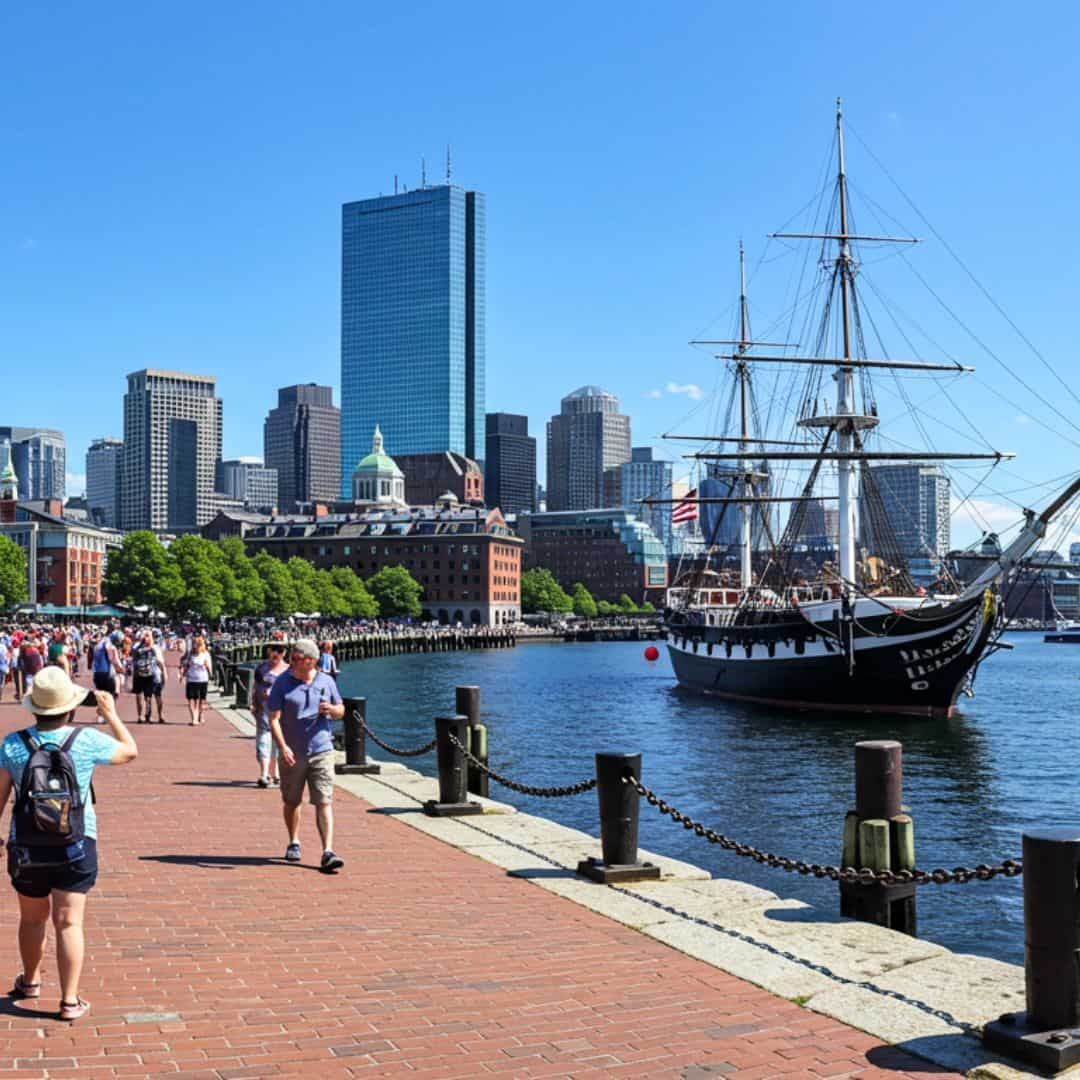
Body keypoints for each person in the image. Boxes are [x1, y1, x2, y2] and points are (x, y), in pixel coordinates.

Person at [0, 666, 137, 1020]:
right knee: (69, 922)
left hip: (27, 847)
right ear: (70, 707)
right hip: (75, 842)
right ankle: (69, 1000)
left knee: (31, 919)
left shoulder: (13, 744)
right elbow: (129, 751)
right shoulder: (85, 741)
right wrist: (109, 714)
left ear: (35, 708)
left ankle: (30, 982)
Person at [267, 639, 346, 872]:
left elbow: (341, 709)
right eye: (291, 658)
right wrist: (283, 747)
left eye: (296, 658)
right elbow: (273, 718)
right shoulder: (283, 683)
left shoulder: (326, 681)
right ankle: (294, 840)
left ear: (310, 660)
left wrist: (332, 710)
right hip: (293, 751)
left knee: (324, 800)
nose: (291, 662)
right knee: (292, 801)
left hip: (322, 749)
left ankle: (328, 852)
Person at [251, 642, 288, 788]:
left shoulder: (289, 670)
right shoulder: (261, 668)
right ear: (268, 651)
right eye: (273, 650)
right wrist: (253, 703)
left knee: (278, 742)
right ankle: (264, 773)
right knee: (263, 741)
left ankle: (277, 773)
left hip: (282, 712)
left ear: (284, 653)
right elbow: (255, 687)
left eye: (280, 650)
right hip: (264, 710)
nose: (276, 653)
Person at [131, 630, 166, 724]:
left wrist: (163, 673)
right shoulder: (136, 647)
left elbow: (159, 661)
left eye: (147, 636)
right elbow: (133, 659)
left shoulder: (154, 648)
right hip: (138, 674)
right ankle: (140, 715)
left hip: (151, 674)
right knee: (139, 695)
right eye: (144, 636)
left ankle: (148, 715)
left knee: (148, 696)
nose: (145, 638)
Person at [179, 635, 212, 726]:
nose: (195, 646)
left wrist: (210, 674)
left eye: (197, 644)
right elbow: (187, 665)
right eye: (194, 644)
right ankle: (194, 718)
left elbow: (209, 666)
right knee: (191, 700)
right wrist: (182, 676)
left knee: (201, 700)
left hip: (202, 680)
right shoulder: (190, 654)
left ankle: (200, 715)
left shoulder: (205, 654)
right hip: (191, 679)